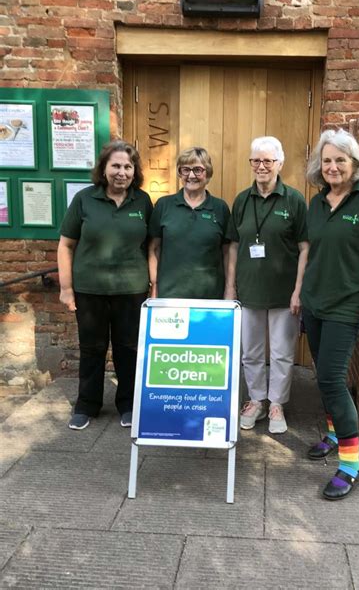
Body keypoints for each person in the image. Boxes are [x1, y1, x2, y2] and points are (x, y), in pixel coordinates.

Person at [301, 129, 359, 500]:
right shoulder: (318, 203)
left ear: (355, 164)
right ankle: (335, 433)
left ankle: (351, 464)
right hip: (315, 303)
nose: (333, 167)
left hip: (346, 306)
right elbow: (311, 253)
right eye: (327, 160)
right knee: (323, 375)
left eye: (341, 160)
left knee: (332, 380)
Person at [57, 140, 153, 431]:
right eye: (115, 166)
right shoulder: (85, 200)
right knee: (92, 348)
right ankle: (87, 405)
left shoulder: (143, 202)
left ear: (134, 171)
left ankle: (129, 405)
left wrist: (154, 284)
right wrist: (66, 288)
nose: (121, 172)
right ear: (104, 169)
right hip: (90, 290)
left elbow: (152, 247)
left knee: (129, 349)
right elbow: (66, 245)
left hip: (132, 289)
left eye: (127, 166)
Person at [225, 136, 309, 434]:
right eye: (256, 161)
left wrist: (299, 289)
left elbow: (305, 248)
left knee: (283, 352)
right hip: (249, 291)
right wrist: (230, 287)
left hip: (284, 293)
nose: (261, 166)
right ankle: (257, 399)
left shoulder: (294, 200)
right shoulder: (241, 200)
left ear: (280, 164)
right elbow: (234, 246)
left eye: (268, 161)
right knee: (251, 351)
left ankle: (277, 403)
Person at [148, 146, 230, 300]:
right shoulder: (164, 205)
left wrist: (229, 289)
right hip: (169, 296)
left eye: (198, 170)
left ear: (208, 173)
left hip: (211, 296)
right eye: (185, 169)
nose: (191, 175)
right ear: (180, 173)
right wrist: (155, 287)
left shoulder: (220, 208)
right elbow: (154, 249)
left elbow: (227, 253)